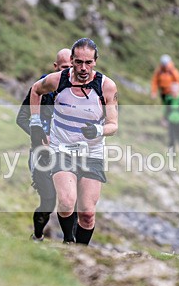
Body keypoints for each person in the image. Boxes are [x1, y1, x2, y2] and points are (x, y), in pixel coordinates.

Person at [28, 38, 118, 245]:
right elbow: (35, 90)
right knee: (67, 202)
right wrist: (35, 122)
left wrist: (98, 129)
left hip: (91, 153)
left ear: (95, 61)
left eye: (88, 62)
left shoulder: (106, 87)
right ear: (71, 60)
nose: (83, 68)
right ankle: (69, 242)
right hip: (61, 149)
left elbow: (113, 125)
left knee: (87, 213)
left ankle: (81, 250)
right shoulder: (58, 80)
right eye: (78, 62)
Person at [16, 48, 72, 241]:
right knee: (48, 201)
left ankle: (70, 243)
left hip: (67, 155)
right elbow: (21, 118)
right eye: (65, 67)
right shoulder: (41, 87)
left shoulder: (81, 91)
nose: (69, 72)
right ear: (55, 67)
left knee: (69, 200)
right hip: (41, 154)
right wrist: (40, 135)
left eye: (72, 67)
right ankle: (38, 236)